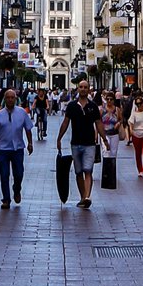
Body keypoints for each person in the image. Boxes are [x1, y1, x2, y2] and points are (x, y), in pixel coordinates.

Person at [57, 78, 101, 209]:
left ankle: (87, 196)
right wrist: (59, 138)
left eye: (85, 87)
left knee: (88, 170)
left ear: (88, 90)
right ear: (78, 89)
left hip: (89, 143)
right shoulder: (71, 106)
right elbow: (66, 122)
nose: (83, 89)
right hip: (75, 143)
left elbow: (98, 123)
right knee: (78, 172)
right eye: (81, 87)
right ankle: (83, 197)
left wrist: (104, 139)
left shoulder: (93, 107)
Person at [0, 87, 35, 207]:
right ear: (4, 99)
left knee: (19, 173)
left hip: (17, 148)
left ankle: (17, 188)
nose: (10, 100)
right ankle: (6, 199)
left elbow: (28, 128)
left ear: (16, 99)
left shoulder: (22, 112)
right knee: (4, 175)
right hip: (3, 149)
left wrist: (30, 143)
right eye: (8, 98)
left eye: (12, 98)